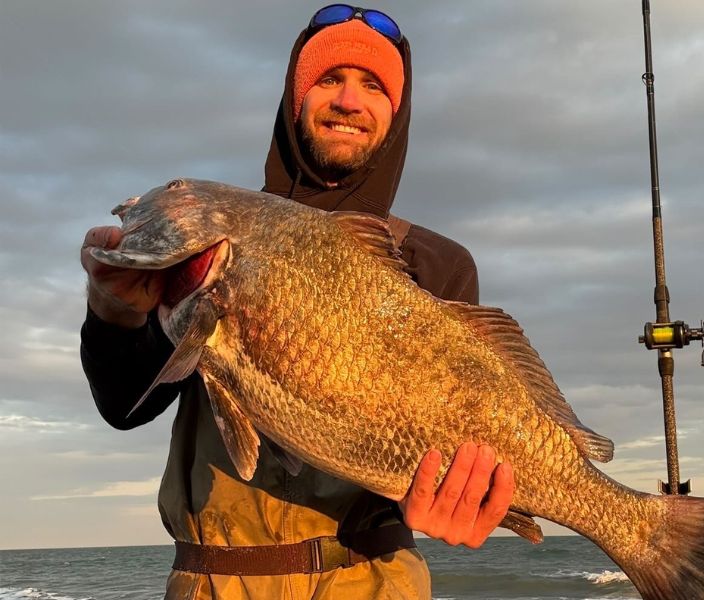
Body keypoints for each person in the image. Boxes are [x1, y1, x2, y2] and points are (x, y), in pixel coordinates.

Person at [80, 5, 515, 599]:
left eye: (374, 86)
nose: (348, 101)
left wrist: (461, 503)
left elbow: (463, 442)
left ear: (397, 112)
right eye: (328, 80)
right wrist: (114, 310)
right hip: (210, 581)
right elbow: (125, 407)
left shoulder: (438, 264)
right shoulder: (220, 241)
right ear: (294, 99)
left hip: (372, 580)